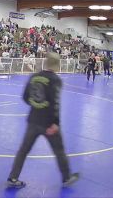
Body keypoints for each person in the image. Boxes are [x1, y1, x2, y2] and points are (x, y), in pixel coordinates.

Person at [7, 52, 79, 188]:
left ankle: (13, 177)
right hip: (48, 124)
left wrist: (37, 105)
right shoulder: (55, 80)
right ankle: (66, 177)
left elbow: (25, 97)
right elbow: (56, 103)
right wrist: (55, 123)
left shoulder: (34, 76)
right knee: (59, 150)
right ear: (57, 65)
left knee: (23, 150)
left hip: (33, 120)